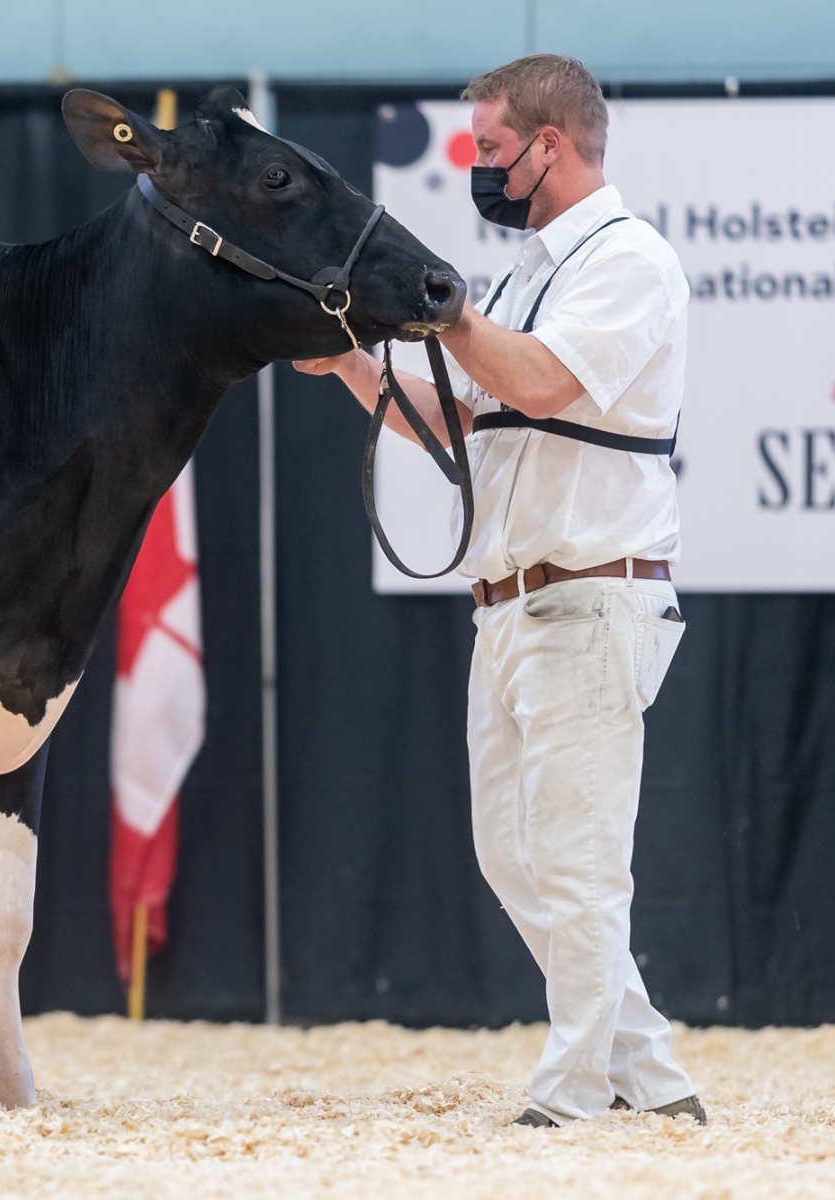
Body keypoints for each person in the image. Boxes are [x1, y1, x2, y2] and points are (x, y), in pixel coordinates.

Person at [295, 54, 705, 1128]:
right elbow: (471, 416)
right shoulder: (530, 273)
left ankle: (570, 1098)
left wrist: (449, 314)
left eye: (490, 148)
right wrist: (350, 363)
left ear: (549, 146)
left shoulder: (629, 259)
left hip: (591, 595)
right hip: (509, 602)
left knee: (576, 863)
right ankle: (654, 1078)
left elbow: (540, 382)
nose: (479, 165)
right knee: (511, 854)